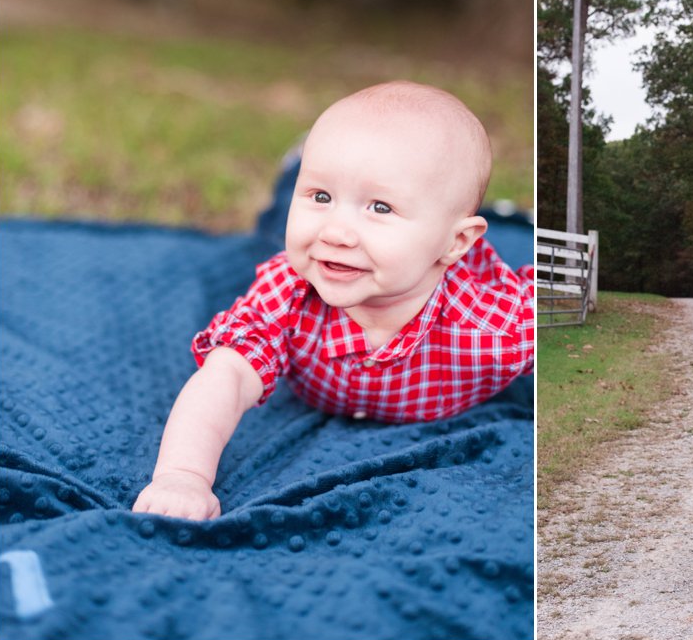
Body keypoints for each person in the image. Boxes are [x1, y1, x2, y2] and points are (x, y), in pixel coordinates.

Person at [133, 81, 534, 521]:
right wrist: (183, 475)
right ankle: (296, 173)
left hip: (448, 266)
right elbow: (224, 378)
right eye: (321, 197)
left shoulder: (497, 326)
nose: (336, 231)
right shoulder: (290, 293)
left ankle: (482, 214)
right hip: (316, 263)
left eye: (380, 207)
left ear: (457, 241)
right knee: (272, 242)